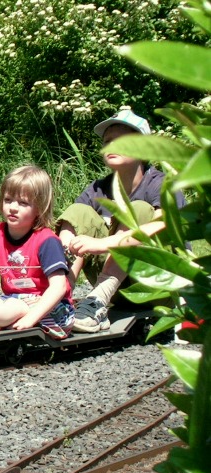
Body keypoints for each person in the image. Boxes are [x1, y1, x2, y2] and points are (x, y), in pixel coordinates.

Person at [57, 109, 187, 333]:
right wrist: (65, 246)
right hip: (122, 291)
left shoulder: (162, 184)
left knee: (137, 209)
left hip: (158, 286)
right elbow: (74, 225)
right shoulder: (98, 188)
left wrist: (101, 244)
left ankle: (97, 301)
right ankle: (60, 297)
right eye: (107, 141)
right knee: (78, 212)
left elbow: (161, 224)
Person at [0, 165, 75, 339]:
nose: (13, 207)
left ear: (39, 208)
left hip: (53, 310)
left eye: (23, 203)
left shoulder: (46, 240)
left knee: (15, 305)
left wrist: (31, 318)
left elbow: (58, 287)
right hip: (14, 300)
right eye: (8, 200)